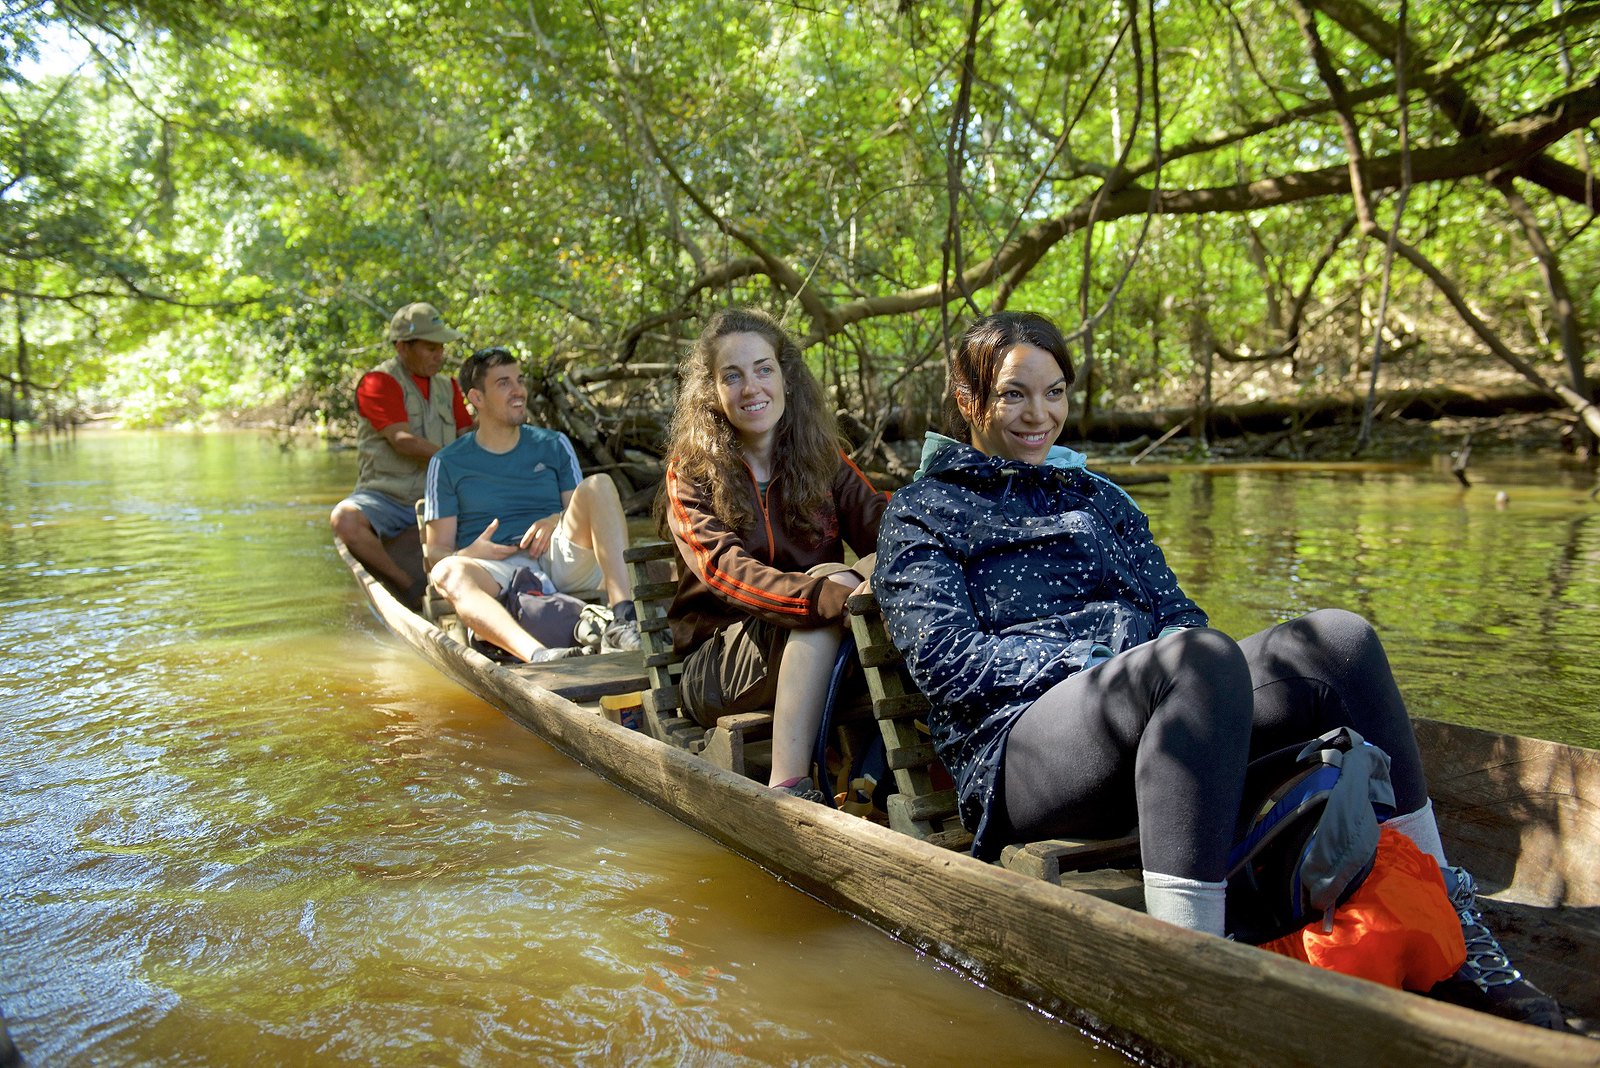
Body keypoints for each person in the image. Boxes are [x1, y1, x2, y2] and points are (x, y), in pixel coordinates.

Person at [873, 310, 1566, 1029]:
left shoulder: (1100, 499)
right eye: (1015, 394)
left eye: (1055, 392)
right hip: (1026, 752)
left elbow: (1180, 615)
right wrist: (1104, 664)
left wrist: (1159, 664)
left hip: (1163, 720)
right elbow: (947, 663)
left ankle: (1453, 923)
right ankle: (1194, 978)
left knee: (1338, 641)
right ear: (969, 402)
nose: (1039, 414)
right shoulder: (926, 511)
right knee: (1189, 660)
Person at [660, 308, 887, 802]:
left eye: (763, 369)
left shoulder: (822, 459)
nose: (752, 388)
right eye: (732, 376)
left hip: (827, 650)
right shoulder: (691, 473)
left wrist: (869, 578)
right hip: (718, 666)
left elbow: (889, 530)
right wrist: (824, 595)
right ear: (712, 392)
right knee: (830, 583)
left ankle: (894, 774)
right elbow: (726, 572)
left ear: (786, 376)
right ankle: (787, 790)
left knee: (893, 569)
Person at [423, 346, 640, 662]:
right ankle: (539, 655)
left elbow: (583, 509)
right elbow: (435, 554)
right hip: (494, 569)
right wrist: (467, 554)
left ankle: (624, 620)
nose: (519, 391)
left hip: (558, 557)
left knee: (600, 485)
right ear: (477, 398)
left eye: (519, 380)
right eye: (504, 383)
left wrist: (554, 520)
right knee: (447, 572)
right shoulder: (447, 462)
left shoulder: (553, 444)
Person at [330, 301, 475, 608]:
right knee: (346, 521)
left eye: (441, 347)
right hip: (388, 497)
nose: (440, 354)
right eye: (430, 347)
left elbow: (468, 438)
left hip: (441, 496)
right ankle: (408, 588)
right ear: (402, 347)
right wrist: (457, 463)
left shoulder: (448, 386)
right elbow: (403, 441)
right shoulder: (378, 382)